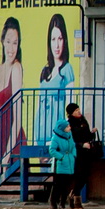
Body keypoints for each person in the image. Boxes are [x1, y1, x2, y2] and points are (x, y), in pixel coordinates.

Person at [0, 17, 25, 168]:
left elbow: (18, 117)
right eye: (9, 41)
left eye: (15, 43)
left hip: (13, 140)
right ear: (3, 41)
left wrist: (7, 154)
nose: (11, 48)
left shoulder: (16, 69)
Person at [37, 14, 75, 142]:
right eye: (53, 39)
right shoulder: (45, 71)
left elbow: (71, 104)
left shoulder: (67, 69)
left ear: (65, 40)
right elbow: (39, 105)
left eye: (60, 38)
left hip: (57, 133)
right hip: (41, 131)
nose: (57, 45)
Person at [67, 103, 98, 202]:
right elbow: (71, 140)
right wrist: (81, 145)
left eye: (79, 109)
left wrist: (92, 133)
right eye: (76, 110)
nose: (78, 111)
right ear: (71, 113)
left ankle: (74, 194)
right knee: (79, 174)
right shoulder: (70, 124)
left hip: (86, 152)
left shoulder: (83, 121)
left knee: (85, 175)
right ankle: (75, 199)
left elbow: (87, 135)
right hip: (77, 153)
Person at [47, 119, 76, 209]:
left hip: (70, 163)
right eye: (67, 126)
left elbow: (73, 146)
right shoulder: (55, 138)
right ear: (62, 128)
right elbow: (52, 150)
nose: (69, 128)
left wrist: (74, 155)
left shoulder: (69, 136)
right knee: (58, 185)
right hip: (60, 165)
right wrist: (62, 157)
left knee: (67, 185)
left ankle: (62, 203)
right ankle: (53, 202)